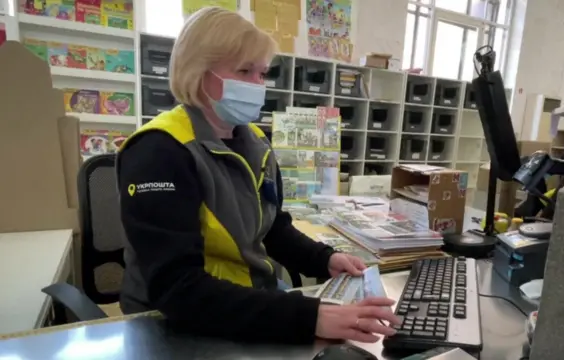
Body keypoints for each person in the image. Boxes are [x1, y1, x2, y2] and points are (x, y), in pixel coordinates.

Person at [116, 6, 399, 345]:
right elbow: (178, 290)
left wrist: (324, 259)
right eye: (245, 70)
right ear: (198, 72)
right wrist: (308, 316)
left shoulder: (252, 141)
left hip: (246, 301)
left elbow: (271, 228)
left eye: (262, 73)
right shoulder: (159, 151)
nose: (257, 85)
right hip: (171, 324)